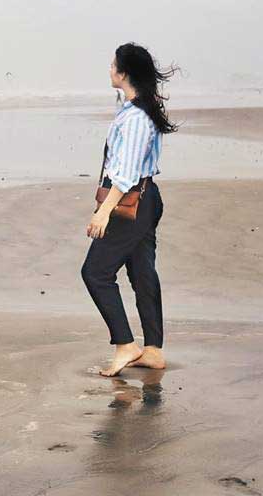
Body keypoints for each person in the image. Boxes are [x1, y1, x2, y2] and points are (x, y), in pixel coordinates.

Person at [81, 42, 180, 377]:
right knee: (141, 273)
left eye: (113, 65)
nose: (109, 70)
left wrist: (103, 212)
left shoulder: (136, 117)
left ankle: (125, 344)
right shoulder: (135, 109)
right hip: (144, 199)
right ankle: (152, 350)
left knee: (95, 272)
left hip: (132, 202)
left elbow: (127, 173)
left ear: (124, 73)